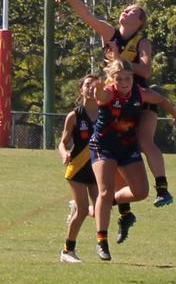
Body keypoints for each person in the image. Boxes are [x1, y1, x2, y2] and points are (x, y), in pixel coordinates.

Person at [56, 0, 174, 208]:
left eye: (132, 11)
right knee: (113, 145)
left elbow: (146, 72)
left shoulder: (142, 42)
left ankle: (162, 187)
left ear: (140, 22)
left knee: (145, 141)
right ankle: (121, 207)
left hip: (138, 98)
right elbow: (88, 17)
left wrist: (119, 59)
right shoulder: (110, 33)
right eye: (126, 9)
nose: (125, 11)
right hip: (113, 100)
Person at [89, 60, 176, 261]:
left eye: (128, 78)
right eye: (120, 79)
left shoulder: (140, 93)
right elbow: (100, 96)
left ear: (133, 78)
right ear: (112, 79)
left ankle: (101, 205)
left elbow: (161, 100)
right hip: (104, 147)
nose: (124, 82)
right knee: (105, 191)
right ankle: (102, 241)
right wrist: (97, 89)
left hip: (127, 147)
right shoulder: (108, 93)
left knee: (141, 192)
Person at [58, 75, 100, 263]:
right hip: (77, 169)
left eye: (95, 85)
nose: (92, 88)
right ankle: (67, 251)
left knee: (102, 208)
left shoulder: (105, 113)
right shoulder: (74, 116)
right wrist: (64, 153)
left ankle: (77, 206)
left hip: (98, 168)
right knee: (83, 212)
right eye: (88, 85)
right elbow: (62, 143)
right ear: (81, 89)